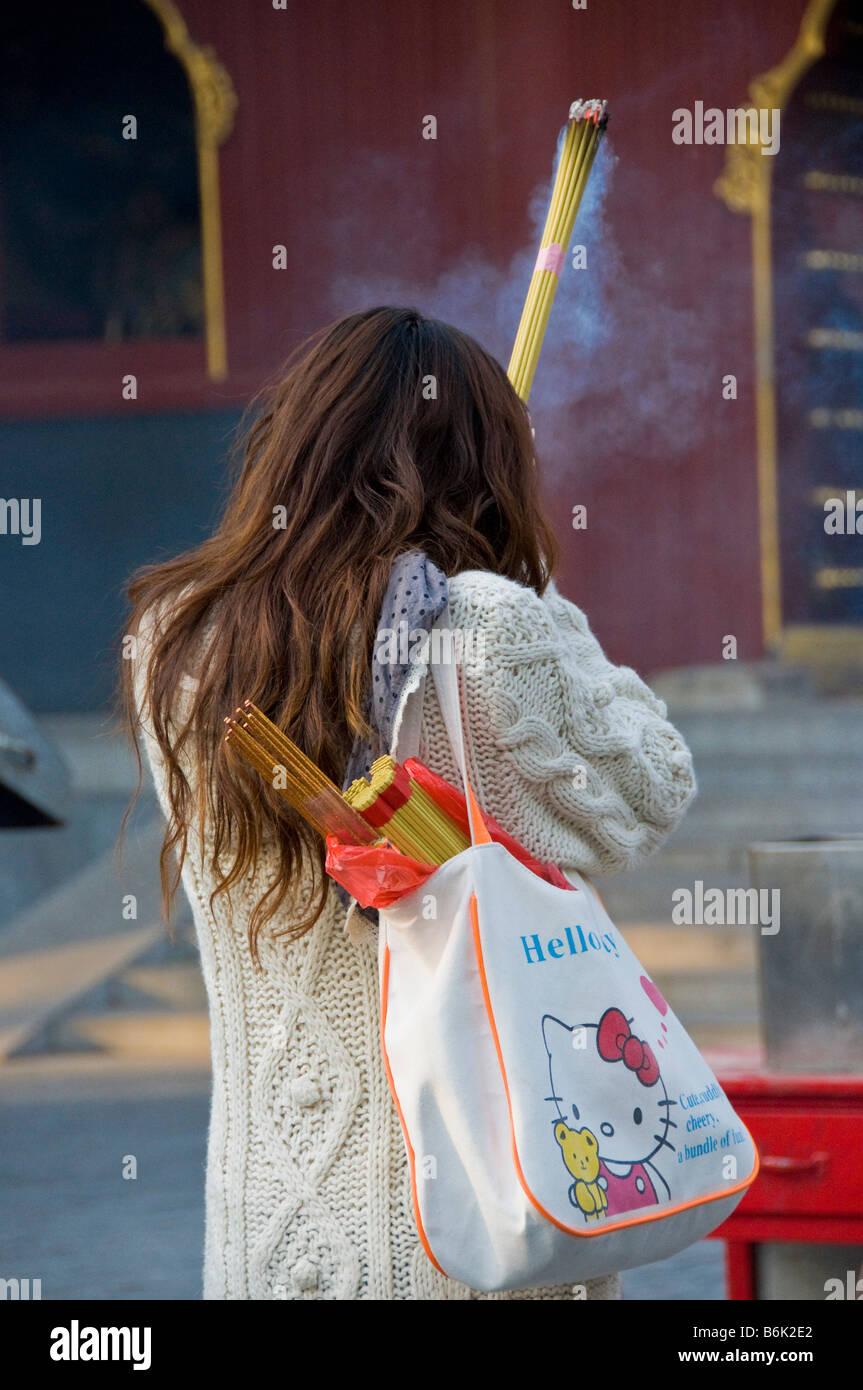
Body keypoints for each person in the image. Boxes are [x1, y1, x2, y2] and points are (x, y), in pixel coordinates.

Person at [122, 305, 696, 1300]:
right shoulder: (491, 627)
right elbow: (650, 786)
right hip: (471, 1237)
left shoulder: (177, 634)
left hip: (276, 1229)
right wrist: (536, 595)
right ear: (485, 465)